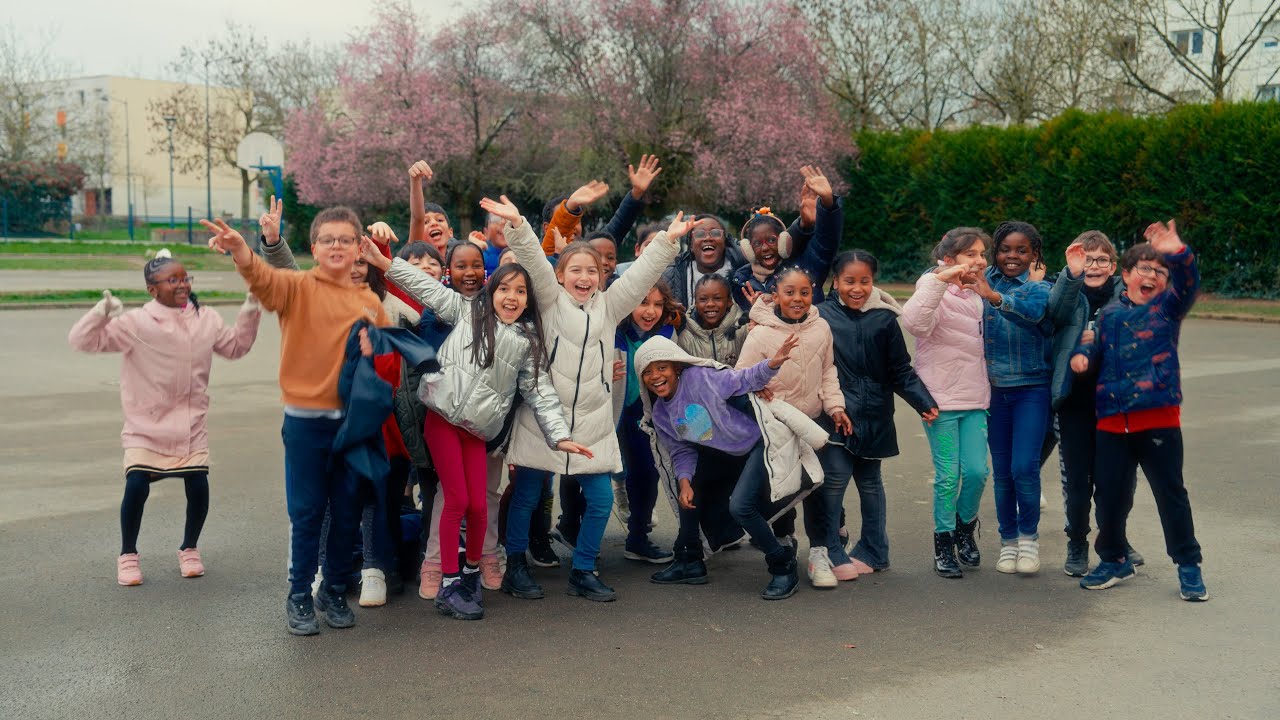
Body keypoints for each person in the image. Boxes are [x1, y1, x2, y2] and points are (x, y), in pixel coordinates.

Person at [362, 242, 592, 619]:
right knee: (455, 500)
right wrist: (386, 264)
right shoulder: (468, 311)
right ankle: (450, 583)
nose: (511, 297)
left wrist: (559, 435)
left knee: (479, 504)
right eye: (504, 289)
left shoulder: (527, 342)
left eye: (520, 291)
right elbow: (428, 288)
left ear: (529, 300)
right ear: (491, 291)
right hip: (443, 420)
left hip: (479, 431)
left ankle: (468, 574)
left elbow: (541, 392)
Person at [482, 193, 686, 603]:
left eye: (592, 270)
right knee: (526, 495)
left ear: (601, 276)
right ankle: (516, 565)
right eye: (575, 269)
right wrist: (518, 226)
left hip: (592, 424)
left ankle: (584, 569)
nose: (584, 276)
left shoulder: (610, 307)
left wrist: (666, 241)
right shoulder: (551, 299)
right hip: (544, 419)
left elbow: (641, 276)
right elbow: (534, 261)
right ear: (559, 276)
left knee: (601, 498)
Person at [203, 208, 390, 636]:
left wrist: (373, 350)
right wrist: (241, 251)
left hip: (352, 425)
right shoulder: (296, 288)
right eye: (328, 240)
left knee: (345, 514)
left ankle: (333, 589)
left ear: (360, 246)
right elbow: (262, 278)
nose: (337, 247)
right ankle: (300, 594)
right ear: (314, 248)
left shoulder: (370, 303)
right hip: (305, 423)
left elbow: (381, 362)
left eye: (346, 240)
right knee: (307, 513)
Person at [68, 252, 261, 587]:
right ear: (152, 290)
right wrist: (101, 314)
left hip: (190, 425)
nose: (183, 284)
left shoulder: (207, 320)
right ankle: (128, 554)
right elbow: (83, 341)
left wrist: (250, 308)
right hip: (146, 426)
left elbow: (235, 348)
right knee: (137, 485)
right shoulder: (136, 324)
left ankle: (190, 548)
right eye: (173, 280)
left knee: (198, 484)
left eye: (185, 278)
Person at [1072, 220, 1207, 602]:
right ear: (1127, 275)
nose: (1153, 276)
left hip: (1159, 420)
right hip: (1112, 423)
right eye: (1144, 269)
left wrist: (1175, 251)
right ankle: (1115, 558)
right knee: (1111, 497)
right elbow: (1092, 345)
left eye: (1160, 272)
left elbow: (1189, 281)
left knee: (1171, 494)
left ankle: (1188, 565)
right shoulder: (1110, 315)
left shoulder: (1168, 308)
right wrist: (1082, 357)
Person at [637, 334, 827, 599]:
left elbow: (743, 379)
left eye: (661, 367)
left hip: (758, 445)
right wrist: (683, 482)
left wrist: (772, 364)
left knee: (740, 506)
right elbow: (682, 449)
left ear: (676, 367)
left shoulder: (700, 379)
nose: (655, 376)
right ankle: (691, 560)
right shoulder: (660, 413)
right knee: (689, 487)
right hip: (726, 454)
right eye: (647, 372)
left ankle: (783, 565)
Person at [816, 250, 937, 579]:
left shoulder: (884, 320)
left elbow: (901, 371)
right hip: (835, 414)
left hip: (875, 416)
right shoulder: (821, 316)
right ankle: (830, 549)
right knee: (834, 482)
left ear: (873, 282)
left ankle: (875, 550)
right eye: (849, 281)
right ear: (835, 281)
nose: (857, 288)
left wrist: (923, 402)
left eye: (865, 281)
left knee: (870, 485)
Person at [968, 221, 1078, 574]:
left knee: (1024, 468)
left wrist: (994, 297)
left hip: (1031, 388)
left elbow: (1033, 313)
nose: (1011, 256)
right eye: (1004, 249)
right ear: (994, 252)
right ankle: (1009, 542)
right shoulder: (983, 278)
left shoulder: (1038, 289)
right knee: (1002, 473)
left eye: (1021, 250)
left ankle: (1029, 541)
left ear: (1034, 255)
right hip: (994, 393)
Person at [736, 266, 849, 588]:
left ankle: (819, 553)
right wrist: (756, 385)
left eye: (804, 292)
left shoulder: (821, 328)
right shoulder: (759, 334)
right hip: (777, 428)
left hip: (813, 422)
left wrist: (835, 407)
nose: (797, 299)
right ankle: (783, 542)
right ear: (775, 296)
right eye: (789, 292)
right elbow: (739, 377)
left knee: (818, 490)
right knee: (782, 489)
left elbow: (828, 372)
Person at [1048, 231, 1143, 576]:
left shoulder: (1127, 293)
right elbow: (1055, 313)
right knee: (1077, 480)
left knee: (1118, 479)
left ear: (1113, 265)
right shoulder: (1065, 291)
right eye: (1087, 259)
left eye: (1102, 259)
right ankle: (1077, 541)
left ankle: (1114, 538)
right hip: (1074, 401)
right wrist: (1071, 276)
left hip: (1116, 402)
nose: (1094, 266)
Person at [901, 228, 992, 578]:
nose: (980, 260)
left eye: (982, 253)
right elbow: (915, 323)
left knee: (977, 472)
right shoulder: (931, 286)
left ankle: (965, 529)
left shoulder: (976, 294)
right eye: (971, 254)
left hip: (974, 397)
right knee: (947, 476)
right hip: (939, 401)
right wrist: (941, 281)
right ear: (949, 259)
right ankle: (943, 542)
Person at [614, 282, 683, 563]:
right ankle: (572, 529)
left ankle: (637, 537)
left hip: (648, 416)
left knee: (647, 474)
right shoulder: (614, 332)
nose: (650, 311)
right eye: (643, 302)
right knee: (590, 476)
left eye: (657, 304)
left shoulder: (668, 334)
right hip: (615, 414)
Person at [730, 166, 841, 310]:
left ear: (784, 241)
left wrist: (827, 205)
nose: (765, 248)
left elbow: (826, 241)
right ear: (748, 249)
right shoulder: (741, 282)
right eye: (757, 243)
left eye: (771, 240)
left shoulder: (805, 268)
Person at [540, 155, 661, 254]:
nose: (574, 227)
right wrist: (570, 206)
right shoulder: (536, 258)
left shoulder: (592, 249)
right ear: (547, 228)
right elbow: (549, 250)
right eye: (566, 222)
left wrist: (636, 193)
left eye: (577, 221)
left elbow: (619, 224)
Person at [660, 214, 747, 307]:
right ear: (691, 246)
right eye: (700, 234)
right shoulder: (671, 274)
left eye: (715, 233)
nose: (708, 238)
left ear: (725, 242)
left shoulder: (744, 269)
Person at [676, 274, 748, 366]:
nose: (710, 304)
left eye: (717, 298)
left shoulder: (743, 329)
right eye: (703, 299)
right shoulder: (686, 338)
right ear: (695, 303)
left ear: (729, 302)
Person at [408, 160, 456, 254]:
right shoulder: (413, 258)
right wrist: (415, 181)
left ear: (450, 232)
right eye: (425, 222)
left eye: (440, 220)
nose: (434, 223)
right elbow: (417, 219)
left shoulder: (460, 260)